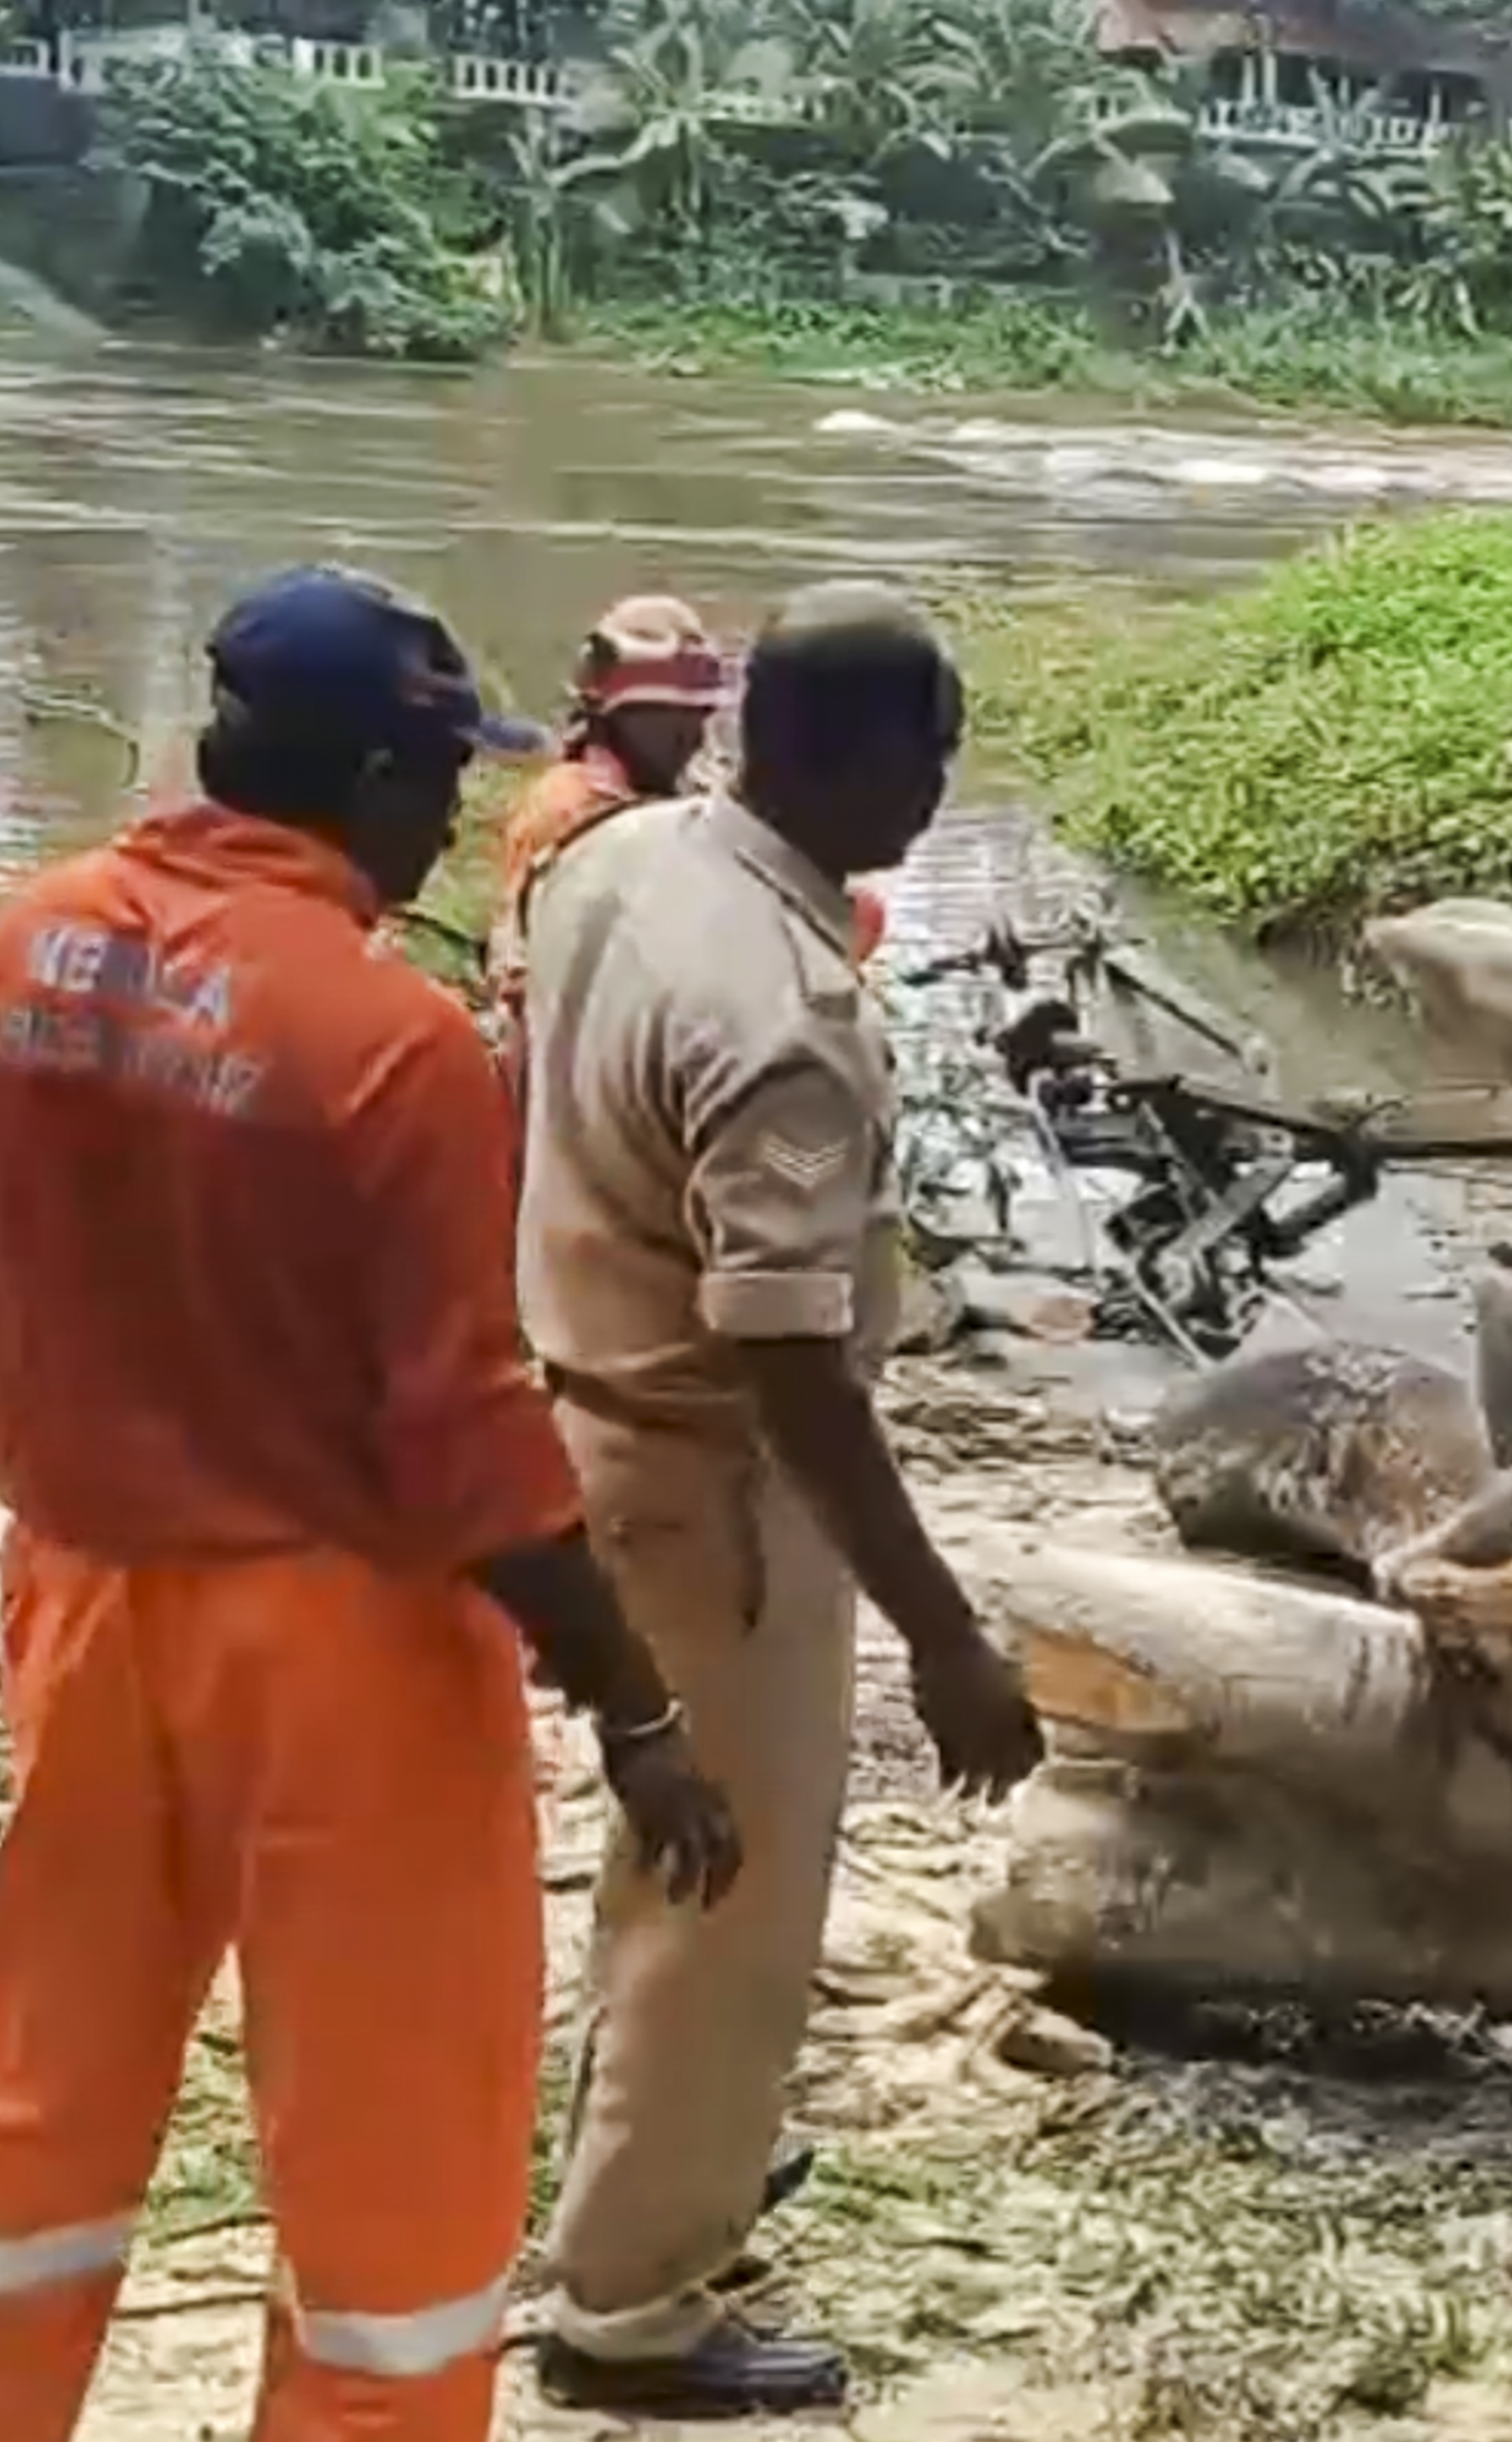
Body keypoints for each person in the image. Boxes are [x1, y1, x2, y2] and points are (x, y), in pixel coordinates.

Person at [0, 567, 749, 2442]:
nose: (447, 826)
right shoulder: (385, 1038)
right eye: (435, 783)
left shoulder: (4, 954)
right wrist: (636, 1707)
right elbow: (467, 1449)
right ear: (372, 780)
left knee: (38, 2089)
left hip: (76, 1602)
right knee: (395, 2151)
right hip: (344, 1649)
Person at [519, 580, 1042, 2418]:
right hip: (712, 1490)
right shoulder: (786, 1009)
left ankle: (652, 2177)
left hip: (583, 1411)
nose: (942, 789)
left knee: (659, 1863)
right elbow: (791, 1362)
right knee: (724, 1899)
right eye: (931, 750)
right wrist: (947, 1635)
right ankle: (634, 2307)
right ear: (843, 750)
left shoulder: (624, 858)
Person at [482, 592, 729, 1094]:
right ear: (613, 717)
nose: (690, 739)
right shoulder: (571, 812)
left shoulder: (670, 795)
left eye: (696, 721)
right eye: (668, 723)